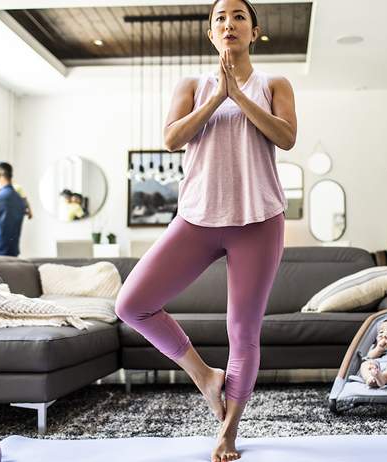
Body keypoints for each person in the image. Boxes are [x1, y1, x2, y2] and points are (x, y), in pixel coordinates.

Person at [114, 1, 296, 460]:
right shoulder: (192, 85)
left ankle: (228, 432)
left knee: (243, 330)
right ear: (210, 33)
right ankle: (203, 375)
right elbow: (172, 139)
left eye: (238, 16)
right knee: (132, 304)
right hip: (196, 218)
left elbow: (286, 137)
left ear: (254, 31)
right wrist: (218, 97)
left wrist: (240, 96)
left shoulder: (274, 83)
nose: (228, 23)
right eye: (220, 18)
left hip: (258, 220)